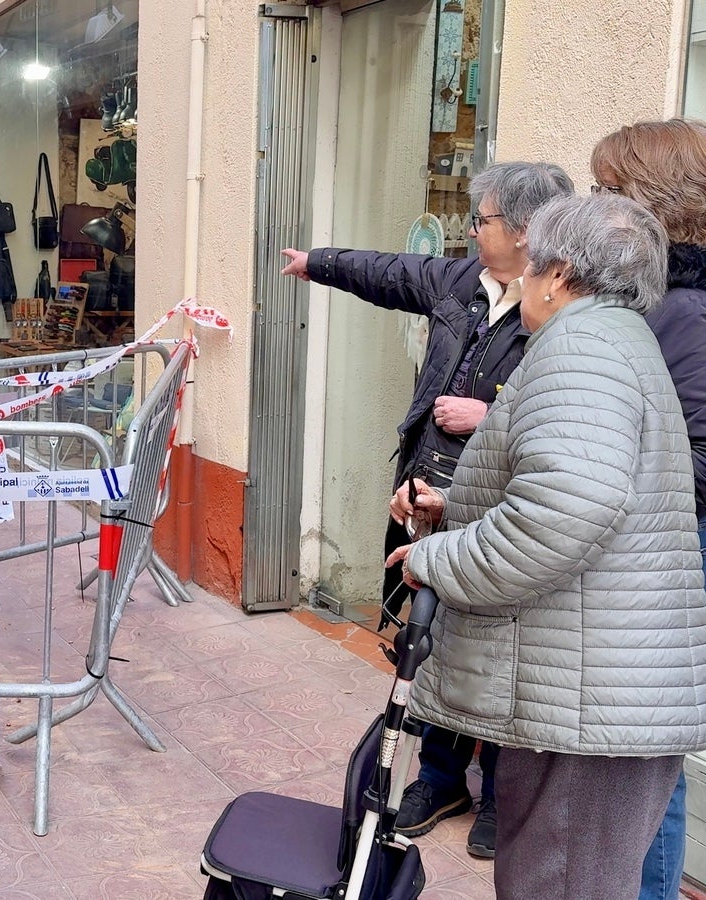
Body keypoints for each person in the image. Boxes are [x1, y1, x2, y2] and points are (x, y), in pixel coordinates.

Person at [387, 192, 706, 900]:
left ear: (558, 275)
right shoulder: (617, 341)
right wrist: (457, 511)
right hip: (590, 689)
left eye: (530, 267)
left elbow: (568, 507)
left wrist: (437, 558)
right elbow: (586, 495)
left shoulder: (582, 348)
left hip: (585, 706)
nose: (523, 280)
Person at [279, 161, 574, 858]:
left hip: (505, 501)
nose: (472, 231)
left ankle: (502, 795)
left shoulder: (566, 302)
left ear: (528, 232)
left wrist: (493, 411)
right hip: (432, 487)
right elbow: (389, 273)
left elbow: (573, 407)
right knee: (431, 641)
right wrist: (318, 263)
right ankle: (442, 778)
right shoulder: (462, 280)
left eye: (484, 220)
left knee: (505, 650)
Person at [589, 118, 706, 900]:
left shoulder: (686, 311)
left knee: (642, 770)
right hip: (653, 557)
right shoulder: (658, 300)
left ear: (650, 203)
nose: (593, 205)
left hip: (662, 564)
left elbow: (691, 465)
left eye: (604, 190)